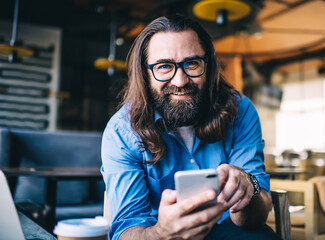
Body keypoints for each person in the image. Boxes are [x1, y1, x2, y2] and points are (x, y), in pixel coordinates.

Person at [101, 14, 280, 240]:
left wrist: (248, 191)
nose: (180, 81)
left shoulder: (240, 111)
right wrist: (161, 232)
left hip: (228, 229)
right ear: (145, 74)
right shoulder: (121, 132)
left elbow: (256, 216)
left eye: (192, 63)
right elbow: (127, 231)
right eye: (164, 66)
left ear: (209, 66)